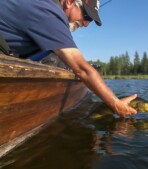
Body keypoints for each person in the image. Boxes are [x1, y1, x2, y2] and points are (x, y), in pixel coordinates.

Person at [0, 0, 137, 117]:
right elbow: (82, 69)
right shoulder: (50, 14)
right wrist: (116, 104)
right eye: (86, 16)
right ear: (70, 2)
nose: (86, 24)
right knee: (57, 59)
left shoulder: (44, 5)